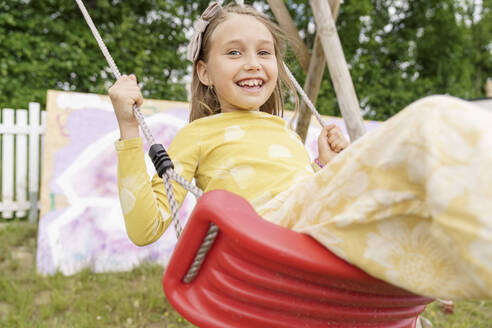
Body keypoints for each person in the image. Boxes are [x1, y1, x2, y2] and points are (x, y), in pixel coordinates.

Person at [109, 2, 492, 300]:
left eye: (264, 52)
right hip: (261, 243)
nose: (253, 63)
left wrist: (325, 167)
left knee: (410, 172)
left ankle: (445, 258)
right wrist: (129, 129)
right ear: (205, 72)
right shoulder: (199, 134)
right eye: (234, 53)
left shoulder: (288, 133)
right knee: (430, 117)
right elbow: (146, 228)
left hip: (311, 233)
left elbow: (298, 193)